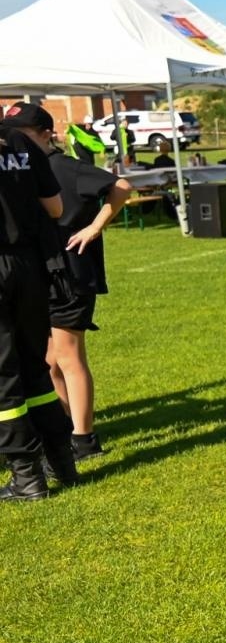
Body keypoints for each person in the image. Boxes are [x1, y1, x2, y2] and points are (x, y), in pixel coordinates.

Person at [23, 113, 131, 459]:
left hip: (71, 273)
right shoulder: (28, 169)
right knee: (51, 360)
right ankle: (68, 426)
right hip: (46, 273)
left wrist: (95, 227)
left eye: (24, 134)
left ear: (45, 134)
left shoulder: (66, 167)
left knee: (69, 356)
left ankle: (85, 440)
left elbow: (122, 187)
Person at [0, 104, 75, 500]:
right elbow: (56, 207)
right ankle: (62, 462)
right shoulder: (21, 143)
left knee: (3, 378)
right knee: (34, 367)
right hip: (30, 266)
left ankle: (26, 477)